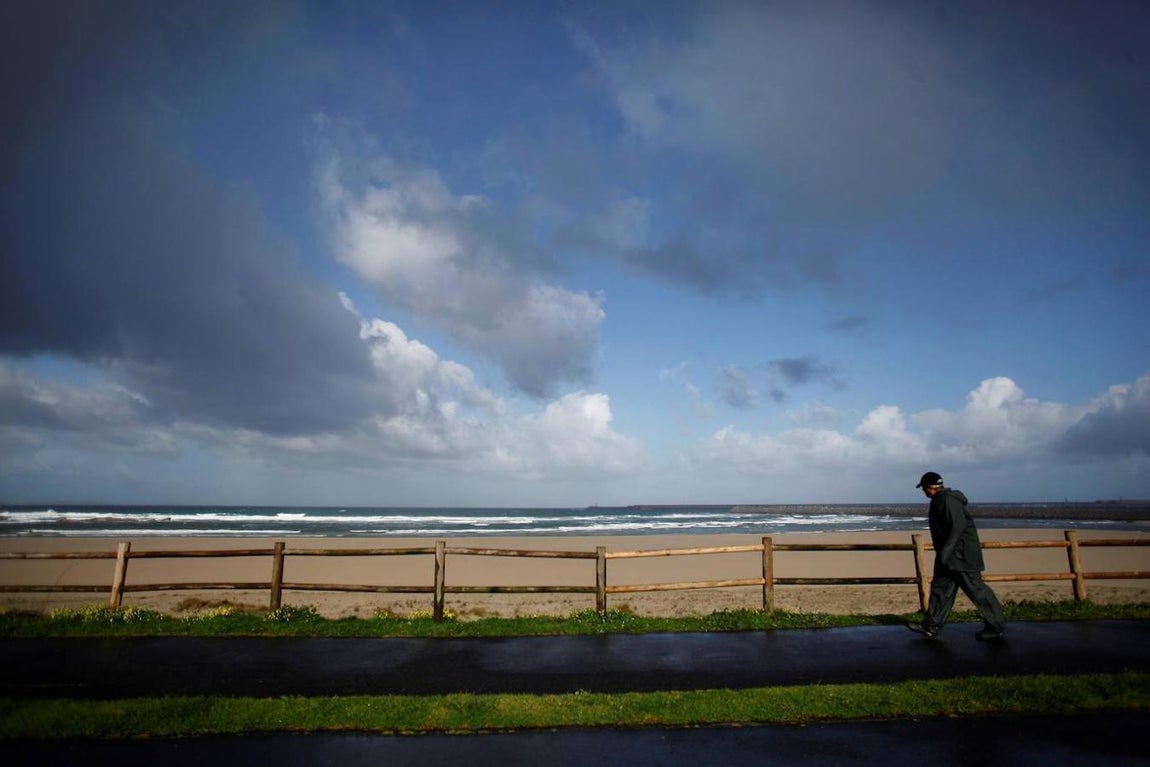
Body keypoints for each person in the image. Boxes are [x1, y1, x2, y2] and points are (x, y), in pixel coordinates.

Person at [906, 471, 1007, 640]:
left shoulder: (948, 501)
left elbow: (957, 528)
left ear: (930, 487)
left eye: (924, 488)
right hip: (949, 555)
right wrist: (944, 554)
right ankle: (931, 625)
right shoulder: (941, 500)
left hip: (961, 555)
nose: (923, 491)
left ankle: (996, 626)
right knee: (941, 589)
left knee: (976, 590)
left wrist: (945, 553)